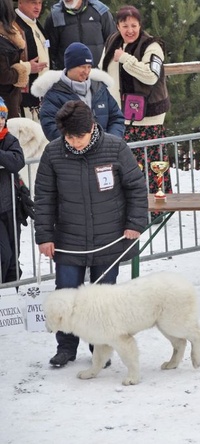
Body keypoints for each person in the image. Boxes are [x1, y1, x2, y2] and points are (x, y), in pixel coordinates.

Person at [34, 100, 147, 367]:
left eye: (79, 136)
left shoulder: (115, 147)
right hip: (68, 240)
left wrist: (135, 222)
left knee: (102, 299)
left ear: (92, 127)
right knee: (66, 294)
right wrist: (44, 236)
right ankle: (66, 347)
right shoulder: (53, 154)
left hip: (108, 238)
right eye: (69, 137)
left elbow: (136, 188)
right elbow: (44, 198)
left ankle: (101, 348)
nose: (74, 142)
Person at [100, 5, 172, 198]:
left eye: (134, 25)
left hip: (149, 117)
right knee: (127, 166)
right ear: (117, 26)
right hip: (120, 116)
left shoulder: (153, 46)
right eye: (125, 25)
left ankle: (157, 207)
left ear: (140, 25)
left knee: (152, 165)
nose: (129, 30)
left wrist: (126, 59)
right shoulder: (112, 41)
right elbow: (102, 70)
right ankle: (131, 206)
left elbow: (150, 76)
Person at [30, 42, 124, 142]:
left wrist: (111, 141)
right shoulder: (54, 95)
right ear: (70, 66)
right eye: (82, 67)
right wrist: (77, 144)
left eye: (89, 67)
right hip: (73, 154)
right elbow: (50, 127)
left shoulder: (100, 88)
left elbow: (116, 118)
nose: (87, 71)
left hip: (104, 151)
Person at [43, 0, 115, 70]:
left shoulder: (100, 11)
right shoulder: (55, 16)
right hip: (68, 76)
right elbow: (49, 50)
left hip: (96, 74)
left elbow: (113, 42)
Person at [0, 96, 26, 284]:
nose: (0, 121)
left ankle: (12, 300)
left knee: (13, 256)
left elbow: (17, 161)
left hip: (10, 207)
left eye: (2, 117)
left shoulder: (9, 139)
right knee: (4, 254)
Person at [14, 0, 49, 121]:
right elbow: (5, 62)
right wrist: (28, 67)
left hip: (42, 96)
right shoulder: (12, 26)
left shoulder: (36, 24)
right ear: (21, 2)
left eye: (40, 3)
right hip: (23, 99)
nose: (37, 7)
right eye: (33, 3)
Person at [0, 0, 30, 119]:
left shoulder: (8, 36)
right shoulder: (3, 43)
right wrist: (22, 70)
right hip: (4, 105)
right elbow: (3, 75)